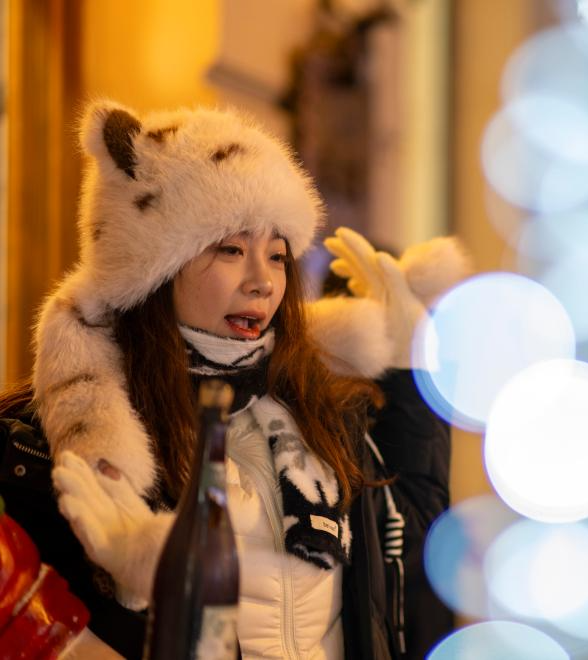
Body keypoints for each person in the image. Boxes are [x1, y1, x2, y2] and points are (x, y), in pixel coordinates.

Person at [0, 99, 468, 658]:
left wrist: (410, 373)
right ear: (154, 267)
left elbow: (410, 563)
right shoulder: (52, 448)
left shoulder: (323, 408)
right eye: (231, 249)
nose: (262, 282)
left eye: (277, 255)